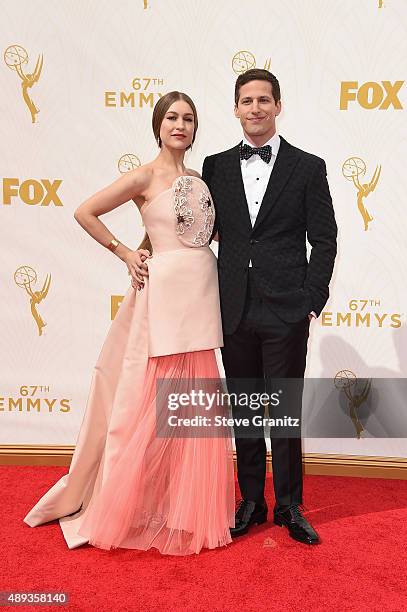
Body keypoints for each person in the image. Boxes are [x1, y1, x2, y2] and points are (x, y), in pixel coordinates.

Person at [23, 91, 235, 556]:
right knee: (146, 406)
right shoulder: (144, 175)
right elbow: (85, 211)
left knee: (194, 404)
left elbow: (195, 231)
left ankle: (185, 508)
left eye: (189, 119)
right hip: (162, 298)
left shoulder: (201, 179)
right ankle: (129, 504)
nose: (180, 125)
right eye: (172, 117)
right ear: (158, 124)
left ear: (196, 128)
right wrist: (125, 252)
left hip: (201, 293)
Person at [202, 69, 337, 545]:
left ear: (278, 106)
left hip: (286, 309)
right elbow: (195, 229)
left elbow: (324, 239)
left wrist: (310, 300)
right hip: (233, 307)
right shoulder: (213, 166)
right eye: (246, 101)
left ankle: (290, 505)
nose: (255, 108)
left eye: (264, 100)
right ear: (235, 109)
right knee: (245, 412)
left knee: (282, 412)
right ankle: (252, 502)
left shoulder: (307, 166)